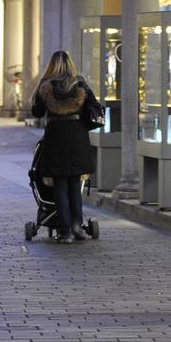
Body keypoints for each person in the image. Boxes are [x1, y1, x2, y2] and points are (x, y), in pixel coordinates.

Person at [30, 50, 97, 243]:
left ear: (52, 65)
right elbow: (93, 106)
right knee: (75, 183)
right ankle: (77, 226)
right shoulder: (80, 84)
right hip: (77, 137)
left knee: (59, 183)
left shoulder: (46, 86)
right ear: (70, 64)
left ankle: (65, 230)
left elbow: (37, 111)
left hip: (56, 137)